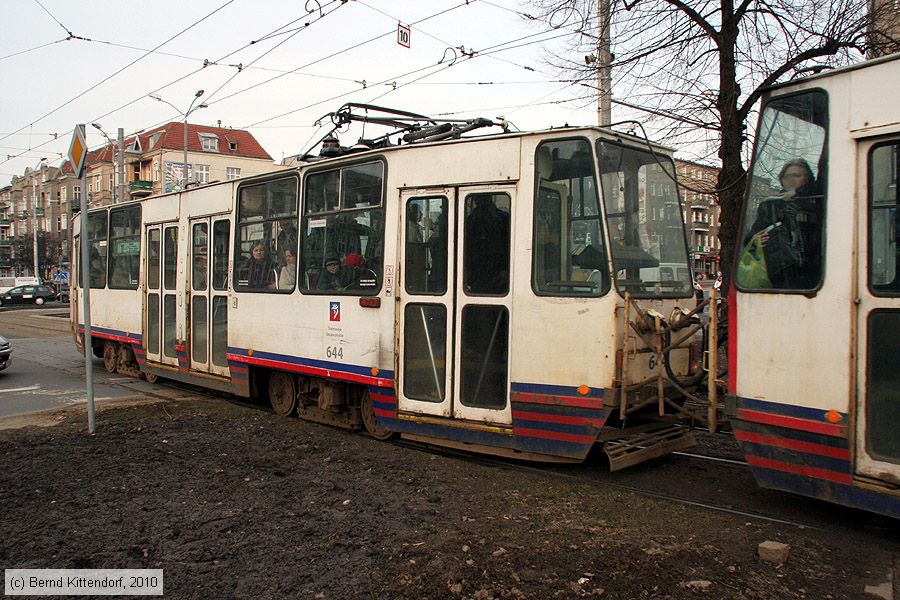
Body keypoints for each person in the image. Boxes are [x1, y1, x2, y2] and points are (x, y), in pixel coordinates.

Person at [742, 158, 821, 288]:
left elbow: (821, 185)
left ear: (808, 179)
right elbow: (750, 238)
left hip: (815, 269)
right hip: (783, 274)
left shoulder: (819, 201)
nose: (791, 180)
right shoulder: (772, 205)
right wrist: (755, 241)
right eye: (786, 176)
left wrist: (799, 193)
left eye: (797, 175)